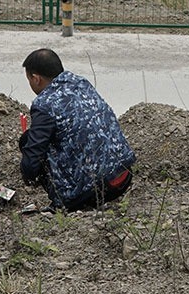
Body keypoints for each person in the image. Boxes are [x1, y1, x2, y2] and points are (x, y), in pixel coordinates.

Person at [18, 48, 135, 211]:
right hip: (123, 175)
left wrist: (27, 175)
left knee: (29, 141)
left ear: (36, 78)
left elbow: (33, 155)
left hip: (95, 191)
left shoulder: (44, 104)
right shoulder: (81, 82)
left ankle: (61, 204)